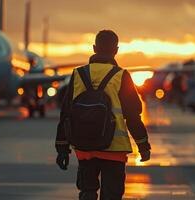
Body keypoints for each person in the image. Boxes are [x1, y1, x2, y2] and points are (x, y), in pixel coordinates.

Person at [55, 30, 151, 200]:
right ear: (116, 50)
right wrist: (143, 144)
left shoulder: (78, 74)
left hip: (85, 148)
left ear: (94, 48)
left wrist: (62, 149)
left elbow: (66, 113)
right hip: (114, 149)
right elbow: (133, 115)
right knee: (112, 195)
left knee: (87, 192)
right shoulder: (121, 75)